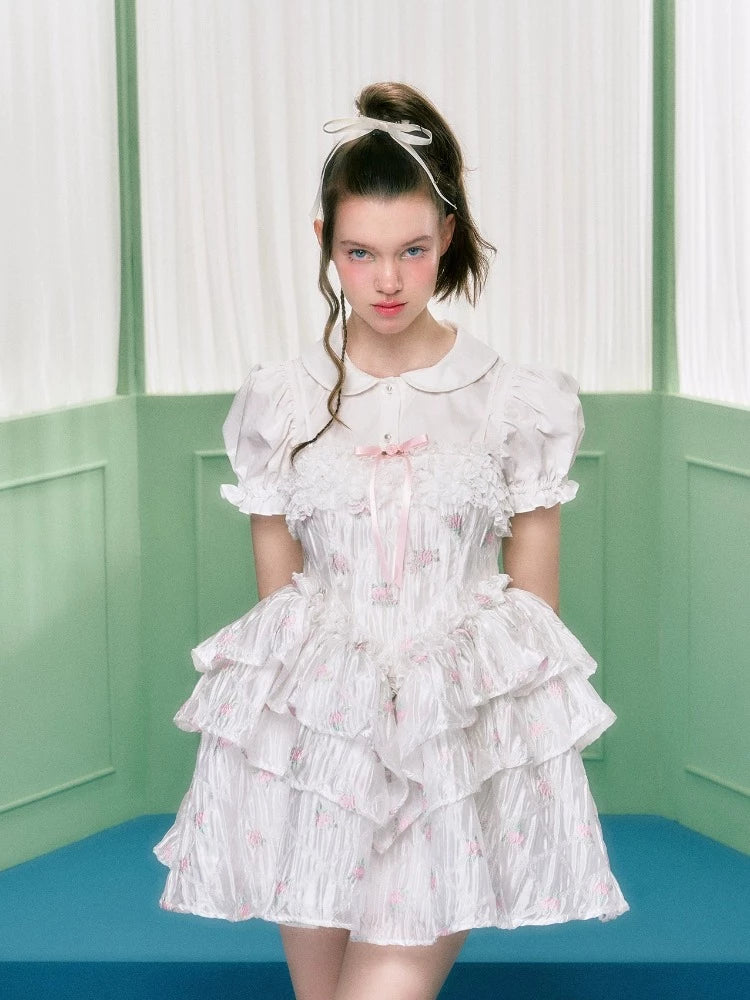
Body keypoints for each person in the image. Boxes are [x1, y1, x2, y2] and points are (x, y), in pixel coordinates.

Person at [153, 81, 629, 1000]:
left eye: (411, 250)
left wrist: (467, 752)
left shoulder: (517, 400)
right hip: (322, 760)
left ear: (446, 236)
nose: (387, 281)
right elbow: (281, 613)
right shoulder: (282, 401)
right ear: (326, 244)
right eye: (360, 252)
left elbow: (535, 618)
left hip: (447, 752)